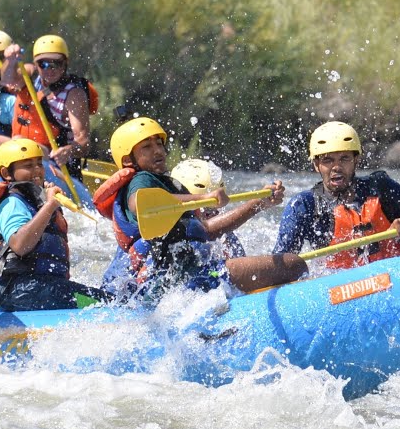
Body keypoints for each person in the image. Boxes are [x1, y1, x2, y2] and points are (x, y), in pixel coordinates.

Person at [94, 117, 306, 301]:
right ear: (127, 160)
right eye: (146, 147)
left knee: (289, 264)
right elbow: (139, 203)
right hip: (189, 279)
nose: (158, 150)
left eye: (159, 143)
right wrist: (204, 198)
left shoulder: (163, 185)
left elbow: (206, 230)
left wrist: (258, 203)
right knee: (294, 264)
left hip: (182, 279)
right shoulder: (141, 181)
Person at [0, 138, 113, 312]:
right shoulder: (11, 204)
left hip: (40, 289)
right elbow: (20, 245)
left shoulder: (35, 200)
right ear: (6, 173)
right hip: (22, 292)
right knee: (109, 305)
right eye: (28, 166)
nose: (37, 170)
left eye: (39, 164)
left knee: (106, 301)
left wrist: (45, 202)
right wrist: (50, 205)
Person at [274, 121, 400, 268]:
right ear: (317, 165)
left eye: (344, 158)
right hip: (338, 290)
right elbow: (280, 265)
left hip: (395, 277)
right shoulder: (305, 206)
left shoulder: (383, 188)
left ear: (356, 160)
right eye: (328, 160)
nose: (336, 167)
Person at [99, 158, 270, 290]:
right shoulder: (156, 238)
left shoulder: (225, 238)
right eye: (205, 209)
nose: (212, 215)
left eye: (214, 209)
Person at [2, 34, 98, 177]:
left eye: (56, 63)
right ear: (35, 64)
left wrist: (69, 151)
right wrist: (10, 61)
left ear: (66, 63)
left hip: (58, 163)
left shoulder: (74, 94)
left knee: (17, 143)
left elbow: (83, 142)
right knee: (16, 144)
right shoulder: (30, 74)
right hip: (24, 153)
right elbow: (8, 80)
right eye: (43, 64)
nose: (50, 69)